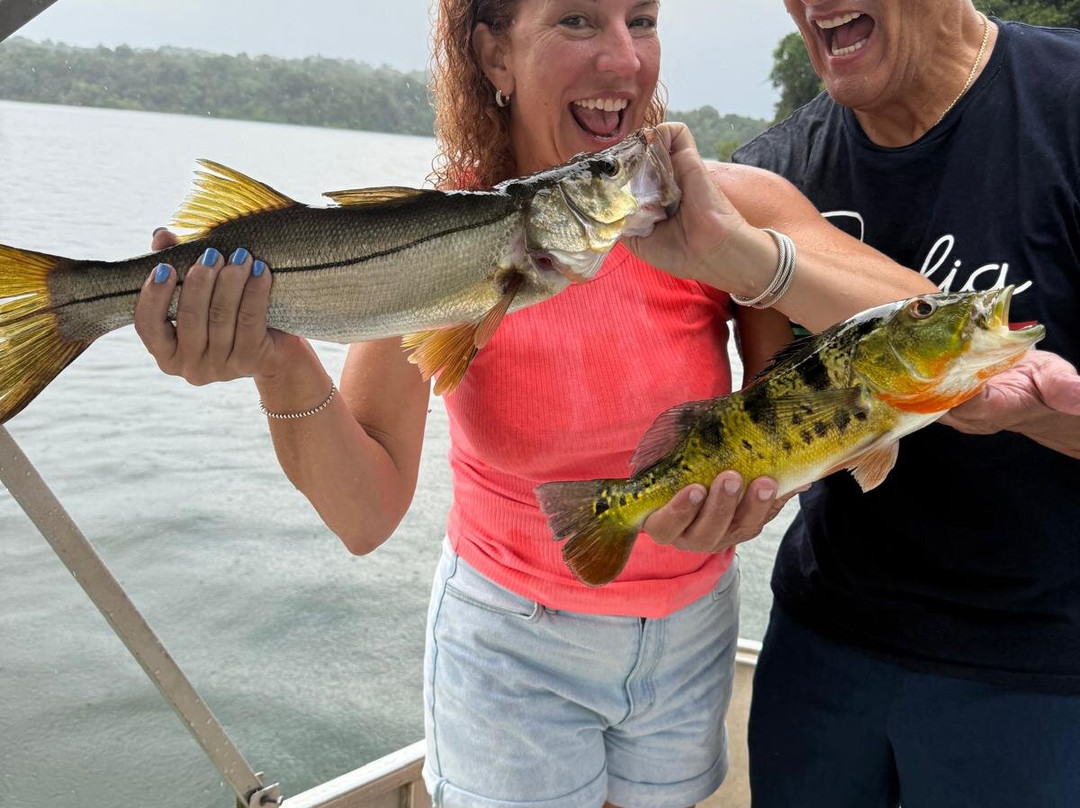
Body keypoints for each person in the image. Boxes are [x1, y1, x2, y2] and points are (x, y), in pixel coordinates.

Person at [134, 1, 934, 806]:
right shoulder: (431, 233)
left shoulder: (719, 208)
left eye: (642, 20)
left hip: (694, 633)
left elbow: (931, 317)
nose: (624, 60)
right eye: (577, 21)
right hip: (509, 649)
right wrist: (278, 362)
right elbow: (364, 515)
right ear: (495, 56)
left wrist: (740, 256)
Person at [732, 2, 1080, 806]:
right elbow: (761, 423)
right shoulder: (774, 173)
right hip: (816, 655)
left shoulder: (1064, 106)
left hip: (1039, 683)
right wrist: (728, 508)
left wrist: (1038, 415)